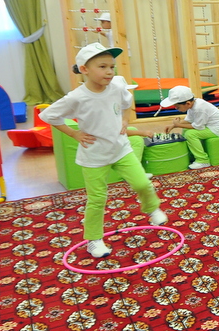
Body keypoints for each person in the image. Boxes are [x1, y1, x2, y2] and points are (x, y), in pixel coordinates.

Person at [41, 42, 167, 258]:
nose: (109, 72)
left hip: (120, 149)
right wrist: (74, 133)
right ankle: (94, 240)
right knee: (97, 199)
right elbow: (49, 116)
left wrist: (125, 121)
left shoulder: (117, 88)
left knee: (142, 183)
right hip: (94, 156)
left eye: (111, 67)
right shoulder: (77, 97)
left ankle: (152, 208)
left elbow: (127, 103)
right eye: (102, 67)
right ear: (84, 69)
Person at [159, 86, 219, 169]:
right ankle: (191, 154)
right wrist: (173, 125)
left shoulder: (199, 108)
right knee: (186, 130)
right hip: (209, 127)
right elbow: (189, 120)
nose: (176, 109)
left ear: (188, 103)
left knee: (190, 134)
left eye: (178, 107)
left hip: (218, 129)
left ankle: (203, 160)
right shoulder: (193, 105)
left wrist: (178, 125)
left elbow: (198, 127)